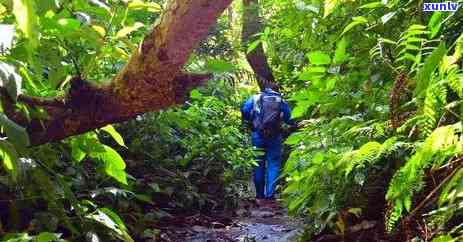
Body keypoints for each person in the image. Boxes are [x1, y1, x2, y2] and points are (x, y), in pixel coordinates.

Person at [241, 81, 294, 203]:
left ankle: (259, 195)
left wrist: (251, 120)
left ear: (265, 89)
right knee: (273, 164)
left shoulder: (255, 98)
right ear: (277, 90)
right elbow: (289, 119)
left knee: (258, 163)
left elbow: (244, 110)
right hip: (275, 137)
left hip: (257, 135)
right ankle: (270, 195)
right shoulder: (281, 101)